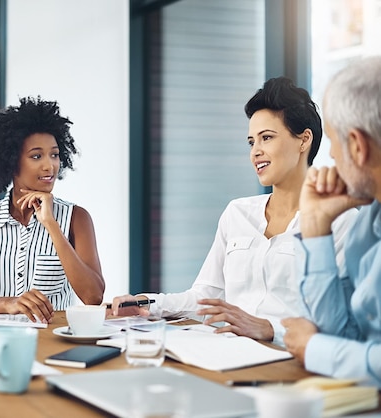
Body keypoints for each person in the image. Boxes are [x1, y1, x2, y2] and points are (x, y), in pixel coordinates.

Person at [110, 77, 357, 344]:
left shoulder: (342, 222)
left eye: (267, 138)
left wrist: (269, 328)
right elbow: (206, 296)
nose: (256, 152)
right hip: (228, 351)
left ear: (304, 140)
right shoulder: (237, 212)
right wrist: (147, 303)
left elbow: (340, 325)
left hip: (292, 362)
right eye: (252, 142)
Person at [0, 96, 105, 324]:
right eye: (36, 156)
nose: (49, 166)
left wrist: (52, 226)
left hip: (55, 351)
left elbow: (93, 297)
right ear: (12, 161)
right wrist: (11, 303)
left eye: (54, 155)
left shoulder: (77, 218)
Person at [282, 56, 381, 386]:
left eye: (336, 143)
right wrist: (314, 226)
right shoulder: (369, 221)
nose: (333, 157)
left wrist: (315, 349)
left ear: (357, 145)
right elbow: (345, 333)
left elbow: (326, 343)